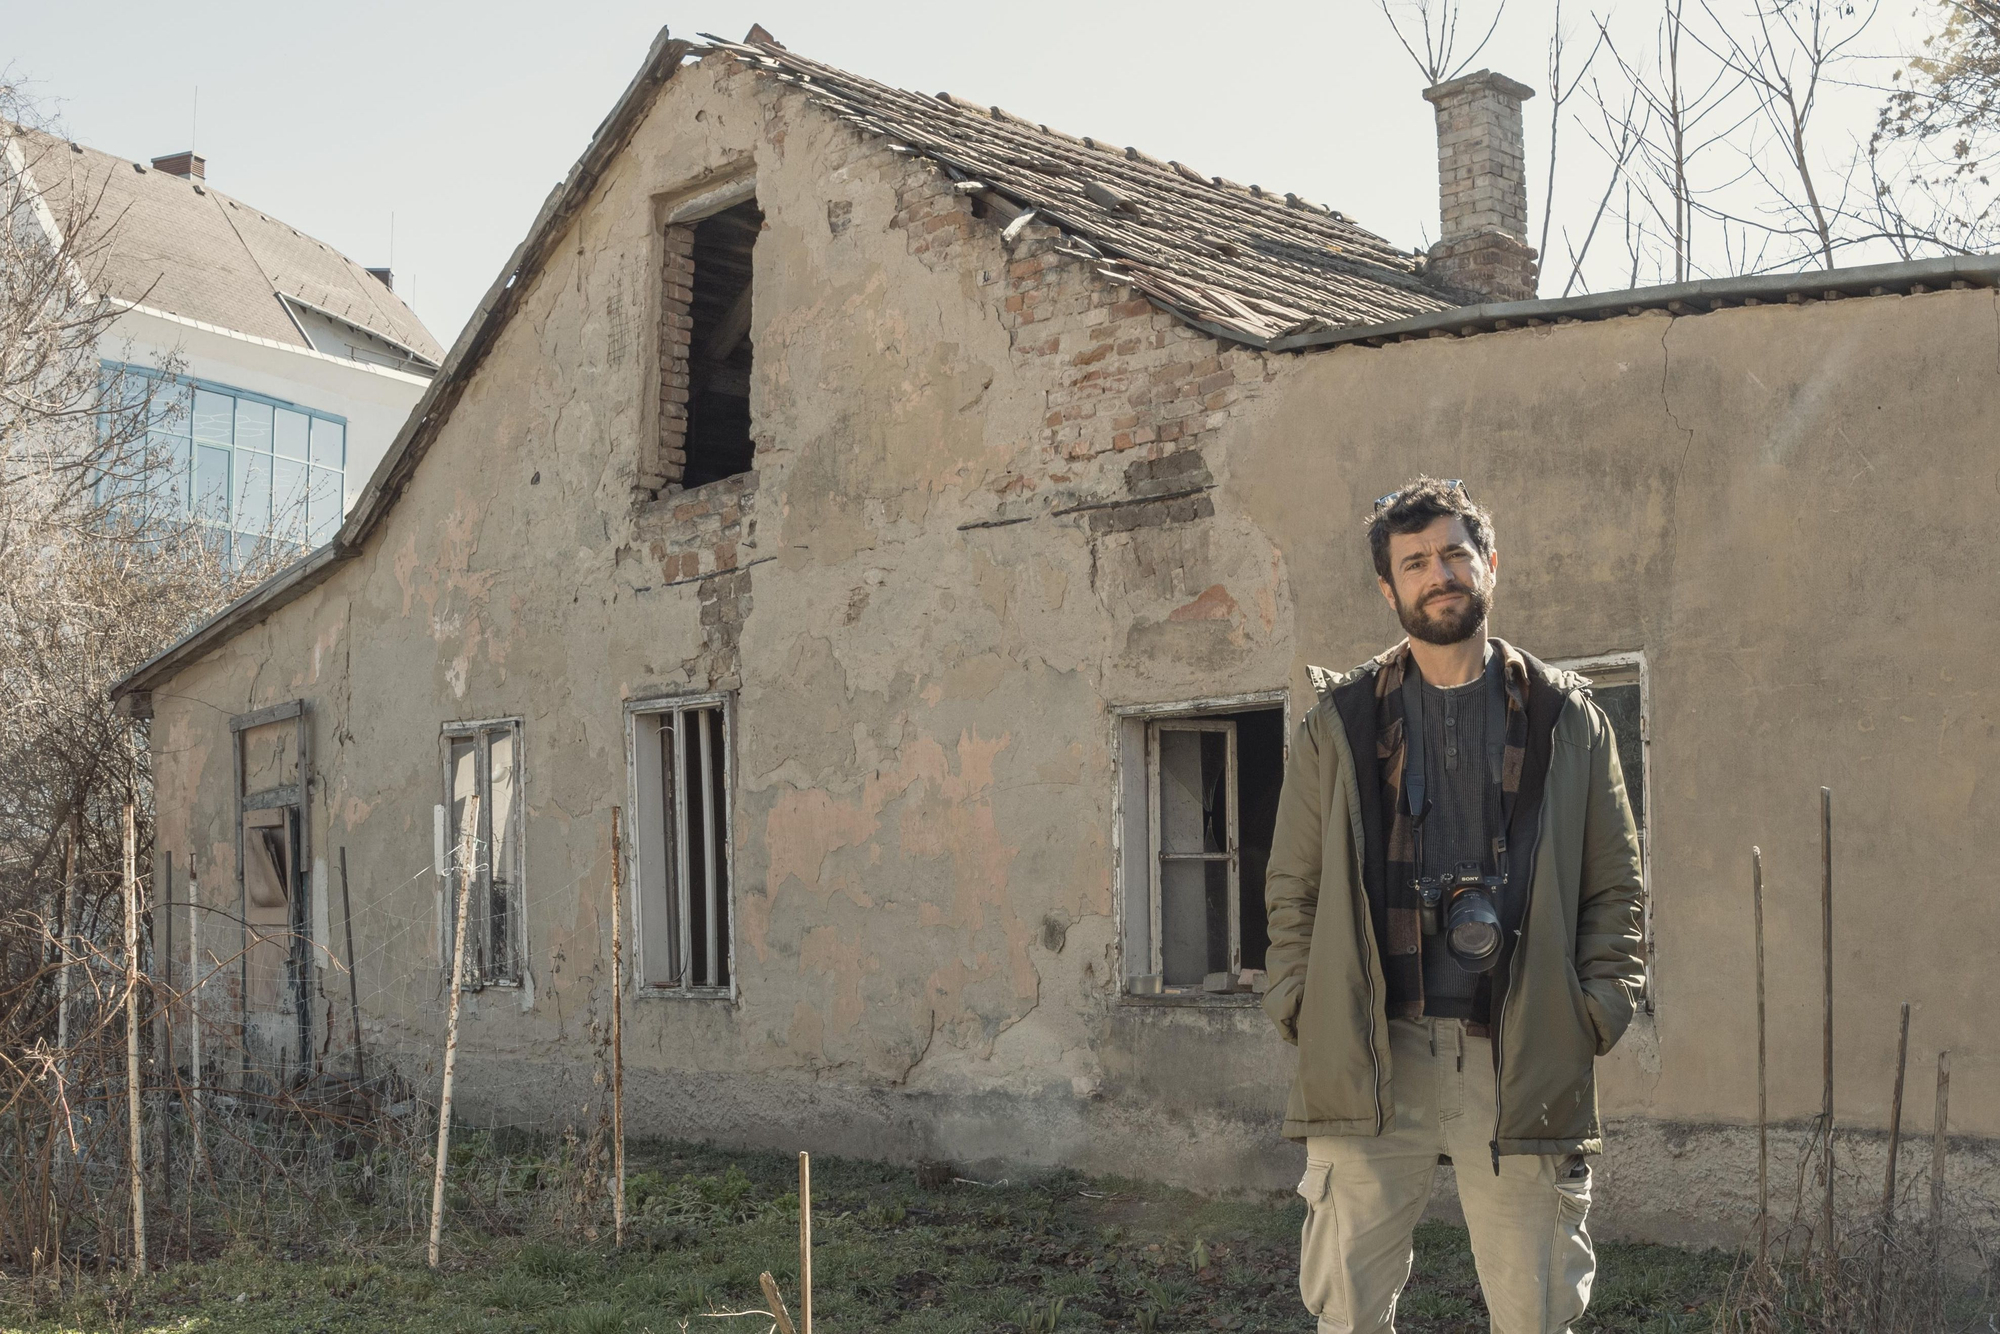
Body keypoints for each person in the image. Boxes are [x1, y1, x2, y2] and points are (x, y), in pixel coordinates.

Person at [1263, 477, 1647, 1334]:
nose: (1438, 574)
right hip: (1373, 1048)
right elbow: (1294, 887)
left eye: (1453, 554)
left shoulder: (1567, 718)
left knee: (1536, 1314)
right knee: (1349, 1315)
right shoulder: (1339, 723)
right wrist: (1299, 1001)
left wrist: (1595, 1010)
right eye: (1415, 563)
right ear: (1387, 588)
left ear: (1489, 565)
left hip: (1517, 1050)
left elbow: (1616, 889)